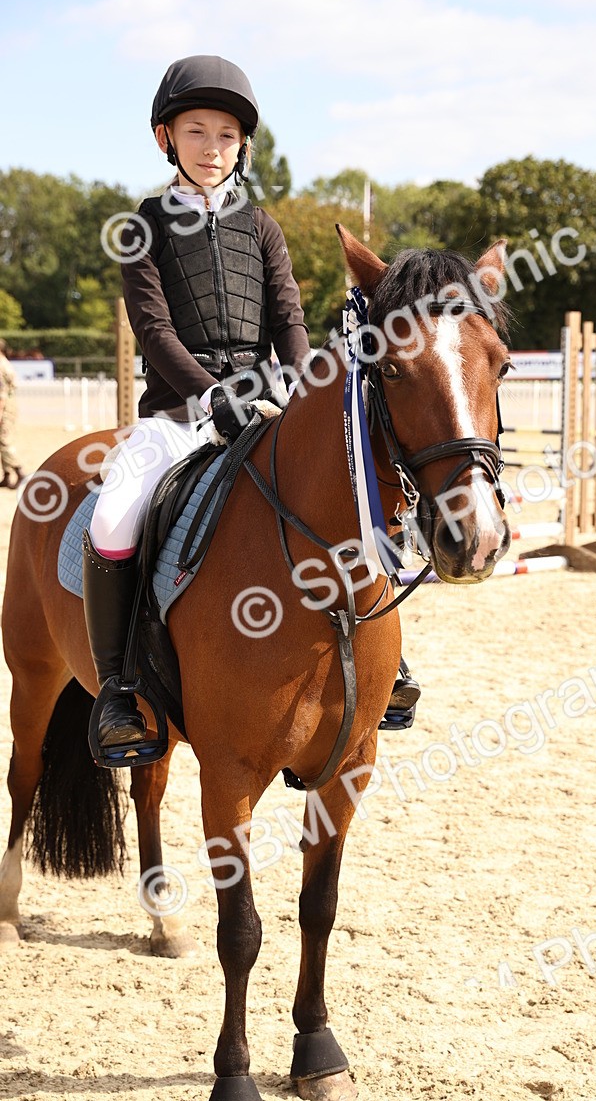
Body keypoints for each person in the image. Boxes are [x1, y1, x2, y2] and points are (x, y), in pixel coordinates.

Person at [85, 55, 418, 757]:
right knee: (116, 509)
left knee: (348, 483)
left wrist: (297, 389)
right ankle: (118, 688)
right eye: (197, 131)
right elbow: (153, 328)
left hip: (265, 399)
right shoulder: (141, 225)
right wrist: (210, 394)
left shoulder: (261, 226)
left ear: (243, 146)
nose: (212, 148)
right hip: (178, 411)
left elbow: (289, 318)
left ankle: (386, 657)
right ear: (164, 138)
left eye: (227, 135)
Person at [0, 340, 25, 488]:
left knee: (4, 440)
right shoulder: (5, 363)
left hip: (4, 407)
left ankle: (19, 470)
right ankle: (7, 474)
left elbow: (1, 394)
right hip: (9, 405)